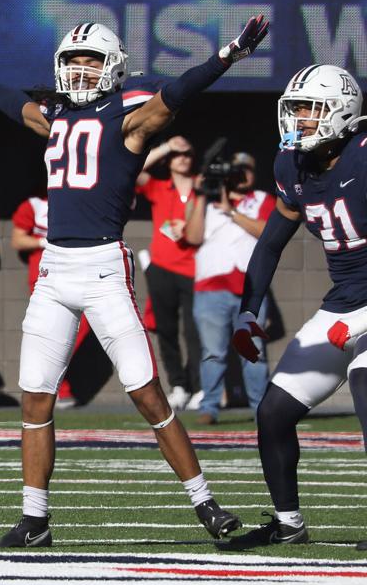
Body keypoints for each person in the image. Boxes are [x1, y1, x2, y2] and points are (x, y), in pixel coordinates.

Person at [0, 15, 269, 545]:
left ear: (113, 65)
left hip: (101, 268)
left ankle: (207, 505)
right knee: (35, 399)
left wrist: (228, 55)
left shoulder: (128, 119)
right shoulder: (53, 117)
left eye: (90, 59)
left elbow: (178, 92)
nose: (79, 69)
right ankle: (34, 521)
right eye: (72, 60)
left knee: (148, 396)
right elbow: (16, 106)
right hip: (52, 270)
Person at [225, 64, 367, 550]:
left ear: (344, 112)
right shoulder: (292, 167)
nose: (302, 119)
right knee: (274, 412)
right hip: (343, 304)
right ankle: (289, 523)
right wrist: (248, 311)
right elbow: (269, 245)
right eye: (297, 109)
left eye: (313, 109)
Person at [182, 153, 273, 425]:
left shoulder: (261, 199)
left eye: (249, 169)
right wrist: (200, 195)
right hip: (211, 288)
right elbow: (193, 236)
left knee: (254, 351)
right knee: (212, 352)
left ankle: (261, 409)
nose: (243, 175)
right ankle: (209, 406)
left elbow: (266, 232)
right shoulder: (206, 201)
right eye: (238, 170)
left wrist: (231, 211)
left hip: (250, 289)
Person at [11, 191, 97, 409]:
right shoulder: (33, 203)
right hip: (45, 274)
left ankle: (53, 383)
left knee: (81, 327)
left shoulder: (79, 199)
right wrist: (45, 241)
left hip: (77, 271)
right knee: (51, 330)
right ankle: (56, 387)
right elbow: (18, 239)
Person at [136, 135, 202, 410]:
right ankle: (178, 385)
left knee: (195, 331)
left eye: (187, 154)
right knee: (165, 330)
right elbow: (133, 170)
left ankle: (199, 386)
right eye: (177, 155)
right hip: (162, 268)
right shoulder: (158, 186)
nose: (182, 158)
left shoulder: (202, 187)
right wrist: (166, 146)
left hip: (195, 269)